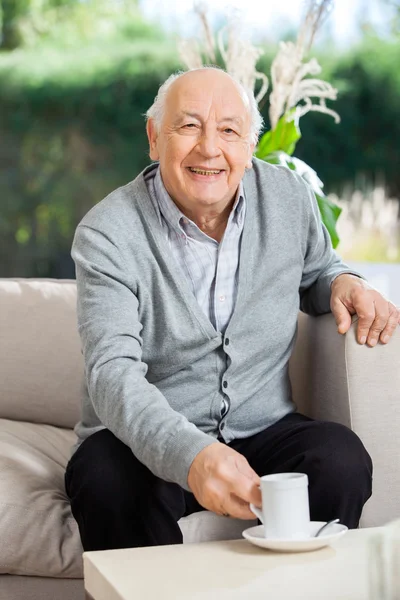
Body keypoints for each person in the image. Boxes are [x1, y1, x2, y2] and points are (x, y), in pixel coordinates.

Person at [65, 67, 399, 552]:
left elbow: (318, 270)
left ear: (250, 146)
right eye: (189, 126)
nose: (209, 148)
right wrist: (193, 455)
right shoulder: (107, 233)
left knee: (340, 460)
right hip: (141, 438)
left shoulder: (288, 198)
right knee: (104, 481)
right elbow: (112, 374)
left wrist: (343, 281)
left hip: (262, 427)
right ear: (154, 138)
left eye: (228, 130)